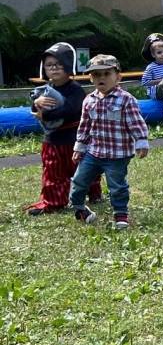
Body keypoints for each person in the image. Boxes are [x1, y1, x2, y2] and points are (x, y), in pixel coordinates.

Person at [69, 54, 150, 229]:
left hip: (117, 154)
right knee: (78, 181)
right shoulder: (89, 100)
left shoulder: (126, 99)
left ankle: (120, 214)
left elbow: (136, 122)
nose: (101, 78)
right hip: (93, 151)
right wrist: (80, 147)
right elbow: (84, 125)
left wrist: (141, 140)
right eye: (96, 75)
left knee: (117, 185)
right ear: (91, 78)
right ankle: (80, 209)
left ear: (118, 77)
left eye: (106, 74)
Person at [26, 42, 101, 216]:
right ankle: (54, 202)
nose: (54, 69)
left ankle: (93, 193)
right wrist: (35, 104)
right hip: (52, 140)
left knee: (83, 170)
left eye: (59, 64)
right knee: (53, 171)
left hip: (74, 139)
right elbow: (35, 111)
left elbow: (70, 110)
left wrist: (45, 116)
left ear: (68, 66)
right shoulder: (45, 90)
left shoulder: (75, 90)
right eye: (49, 65)